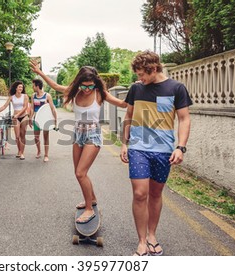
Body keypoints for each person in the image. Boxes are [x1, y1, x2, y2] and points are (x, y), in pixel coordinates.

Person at [31, 60, 127, 223]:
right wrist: (40, 73)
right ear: (78, 83)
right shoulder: (74, 92)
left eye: (90, 86)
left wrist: (140, 89)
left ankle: (89, 209)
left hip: (93, 135)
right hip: (77, 134)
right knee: (79, 172)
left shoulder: (99, 93)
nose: (87, 89)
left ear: (95, 83)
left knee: (80, 173)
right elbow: (55, 86)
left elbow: (123, 103)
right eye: (84, 86)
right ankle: (92, 199)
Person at [120, 51, 192, 256]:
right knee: (140, 193)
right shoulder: (136, 89)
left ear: (153, 69)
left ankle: (152, 234)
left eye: (142, 74)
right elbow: (129, 115)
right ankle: (142, 241)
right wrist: (124, 143)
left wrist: (181, 146)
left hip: (163, 150)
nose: (139, 78)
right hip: (138, 148)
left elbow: (184, 119)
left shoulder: (176, 88)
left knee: (155, 193)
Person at [0, 81, 30, 160]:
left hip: (24, 116)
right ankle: (19, 150)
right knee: (17, 136)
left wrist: (18, 115)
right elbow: (4, 106)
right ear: (16, 88)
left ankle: (22, 153)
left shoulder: (25, 96)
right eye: (19, 87)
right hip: (15, 118)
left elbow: (25, 107)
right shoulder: (12, 97)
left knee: (22, 135)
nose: (21, 88)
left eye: (22, 87)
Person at [30, 79, 57, 162]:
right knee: (36, 137)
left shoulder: (47, 96)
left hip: (45, 119)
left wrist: (55, 120)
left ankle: (46, 155)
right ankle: (39, 150)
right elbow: (32, 108)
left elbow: (52, 108)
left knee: (46, 137)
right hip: (36, 119)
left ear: (37, 86)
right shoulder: (33, 96)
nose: (32, 87)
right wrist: (30, 118)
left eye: (33, 85)